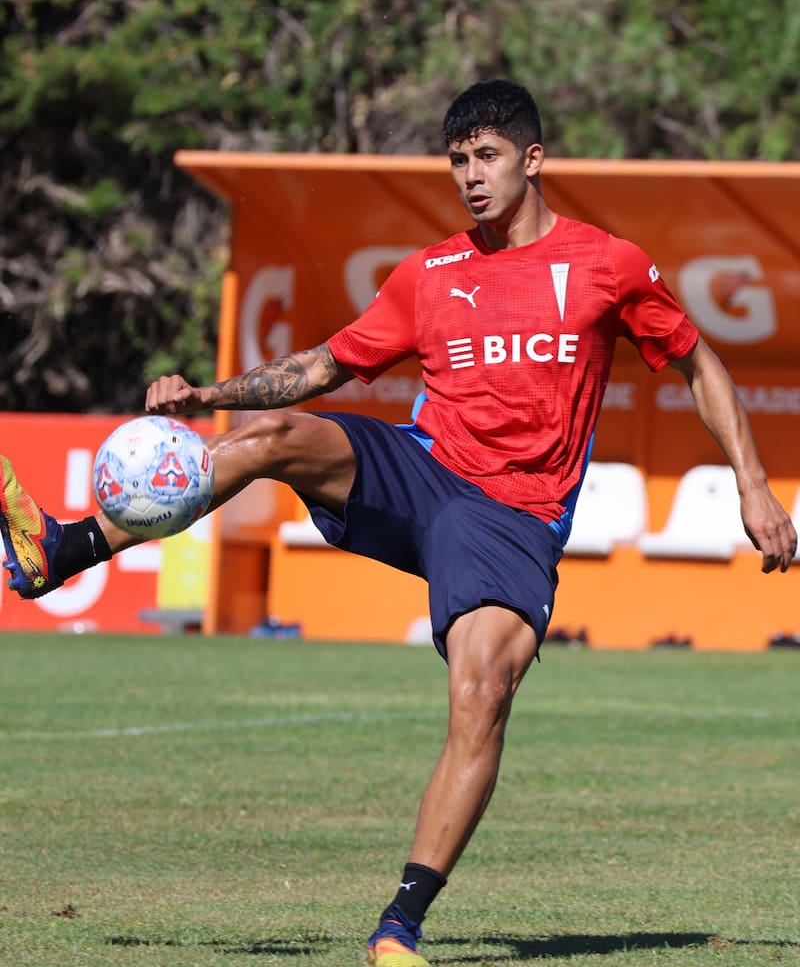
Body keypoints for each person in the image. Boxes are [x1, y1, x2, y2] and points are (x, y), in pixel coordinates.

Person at [1, 80, 796, 967]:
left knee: (481, 697)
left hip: (512, 520)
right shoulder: (432, 273)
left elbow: (698, 361)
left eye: (487, 157)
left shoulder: (606, 264)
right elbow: (323, 366)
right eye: (458, 161)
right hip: (421, 471)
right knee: (272, 435)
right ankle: (59, 552)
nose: (471, 177)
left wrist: (753, 484)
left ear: (533, 159)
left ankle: (400, 926)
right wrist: (206, 394)